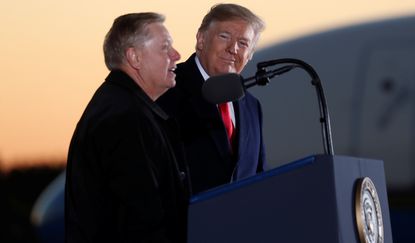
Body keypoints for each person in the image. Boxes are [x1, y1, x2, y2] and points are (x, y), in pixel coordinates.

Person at [65, 12, 190, 243]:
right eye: (165, 47)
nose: (176, 55)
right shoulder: (127, 118)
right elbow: (143, 221)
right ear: (134, 57)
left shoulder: (118, 107)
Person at [157, 3, 267, 195]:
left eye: (243, 43)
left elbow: (259, 177)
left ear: (249, 55)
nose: (233, 48)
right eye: (224, 36)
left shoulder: (251, 105)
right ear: (201, 39)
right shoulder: (166, 88)